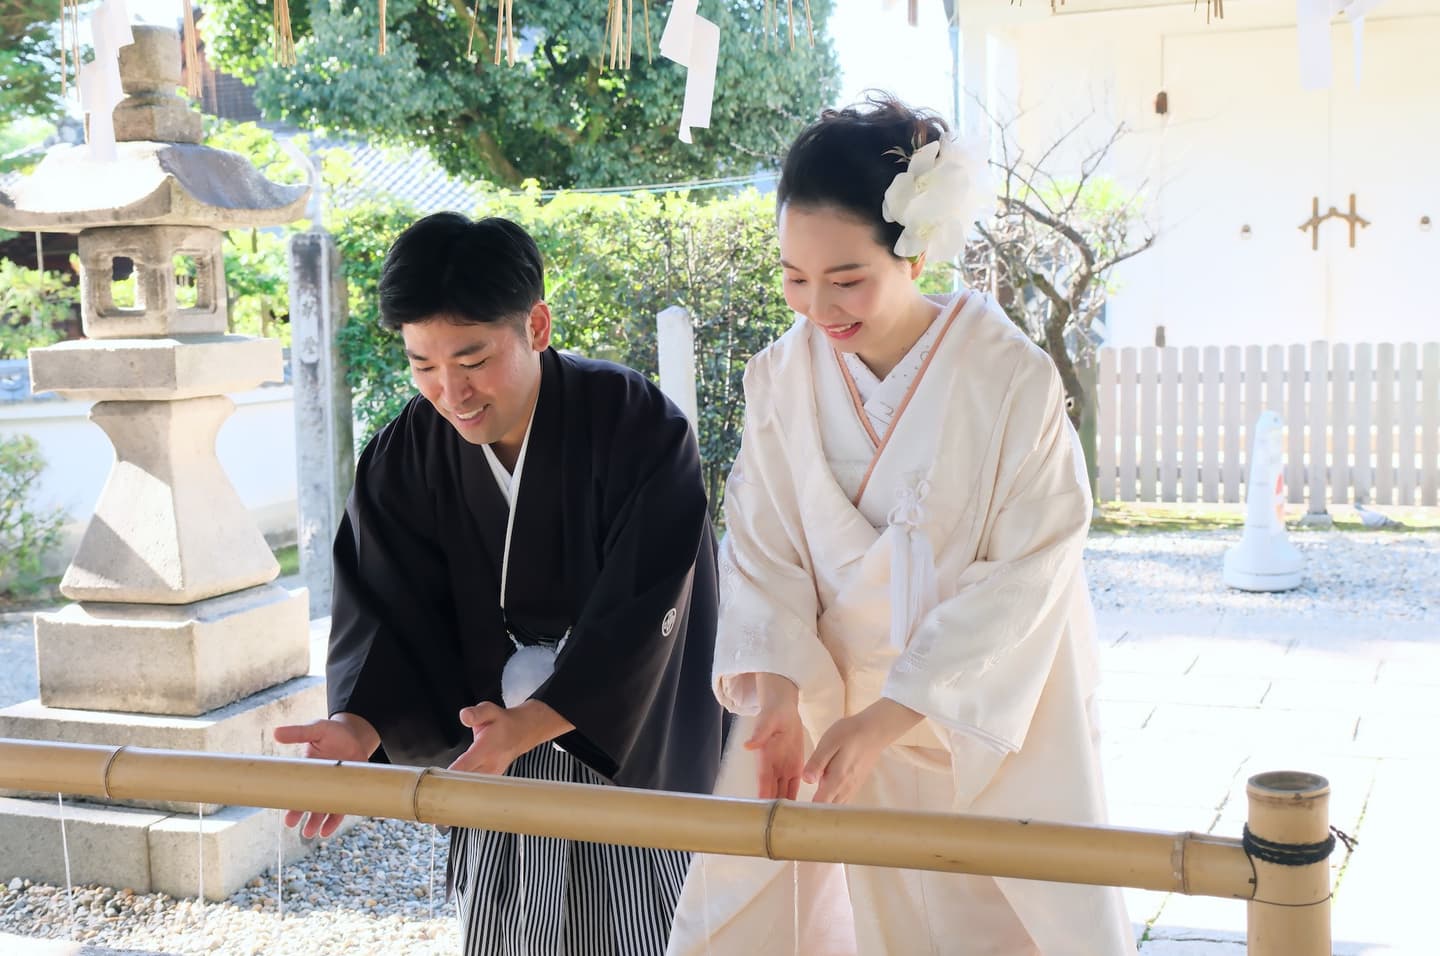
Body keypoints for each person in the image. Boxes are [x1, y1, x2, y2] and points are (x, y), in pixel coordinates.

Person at [666, 98, 1136, 955]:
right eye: (793, 277)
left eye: (846, 280)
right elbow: (762, 547)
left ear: (913, 250)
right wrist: (774, 693)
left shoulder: (1010, 378)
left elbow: (1030, 569)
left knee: (1003, 917)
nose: (818, 306)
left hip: (982, 715)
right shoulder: (779, 377)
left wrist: (896, 712)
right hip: (830, 705)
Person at [273, 212, 726, 956]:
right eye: (422, 365)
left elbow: (651, 605)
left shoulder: (636, 424)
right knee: (515, 930)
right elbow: (385, 609)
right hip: (494, 746)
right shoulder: (405, 453)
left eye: (473, 357)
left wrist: (538, 718)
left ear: (537, 325)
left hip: (627, 743)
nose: (451, 391)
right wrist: (360, 723)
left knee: (657, 927)